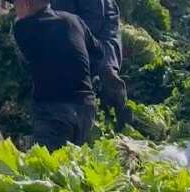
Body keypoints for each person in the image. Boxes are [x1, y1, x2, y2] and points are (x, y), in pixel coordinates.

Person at [14, 0, 104, 150]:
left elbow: (24, 65)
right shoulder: (74, 20)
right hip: (85, 107)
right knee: (74, 165)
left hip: (54, 111)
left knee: (48, 169)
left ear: (25, 4)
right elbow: (99, 53)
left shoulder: (23, 27)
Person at [50, 0, 131, 128]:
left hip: (100, 25)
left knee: (106, 72)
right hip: (72, 22)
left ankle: (121, 116)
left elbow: (91, 22)